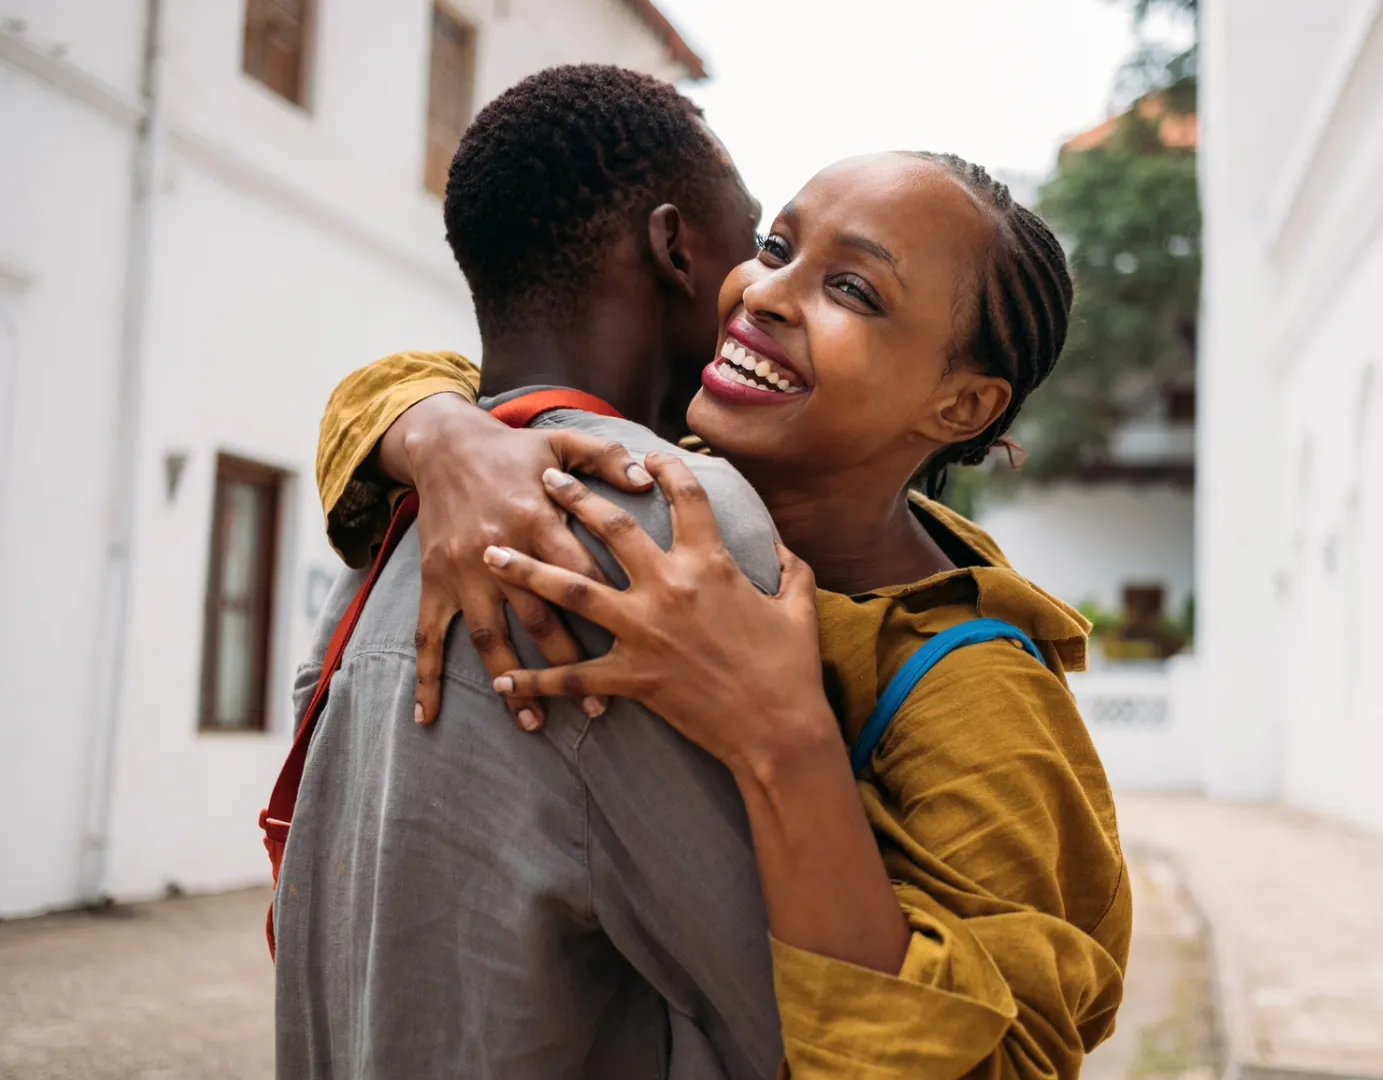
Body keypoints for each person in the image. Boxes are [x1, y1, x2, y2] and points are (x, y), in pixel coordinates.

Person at [314, 149, 1131, 1076]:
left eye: (854, 291)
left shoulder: (977, 691)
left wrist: (781, 733)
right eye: (777, 245)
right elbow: (401, 380)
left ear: (960, 405)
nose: (767, 293)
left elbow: (1014, 1062)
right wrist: (442, 437)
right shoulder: (649, 469)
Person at [273, 65, 787, 1080]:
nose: (764, 289)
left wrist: (423, 428)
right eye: (757, 241)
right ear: (675, 245)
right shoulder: (670, 513)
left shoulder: (392, 532)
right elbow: (783, 1008)